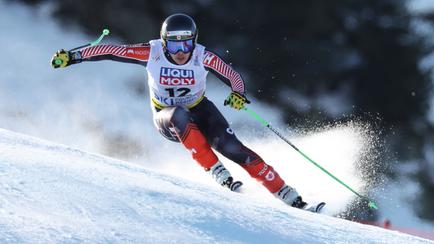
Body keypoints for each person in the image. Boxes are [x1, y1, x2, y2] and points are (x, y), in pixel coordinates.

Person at [51, 13, 319, 211]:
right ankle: (216, 171)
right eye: (175, 45)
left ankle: (287, 193)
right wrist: (74, 56)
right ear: (165, 42)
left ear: (194, 42)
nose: (181, 52)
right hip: (167, 117)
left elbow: (232, 76)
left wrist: (237, 94)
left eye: (186, 44)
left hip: (201, 109)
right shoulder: (152, 53)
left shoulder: (202, 56)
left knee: (232, 147)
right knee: (179, 113)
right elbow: (112, 50)